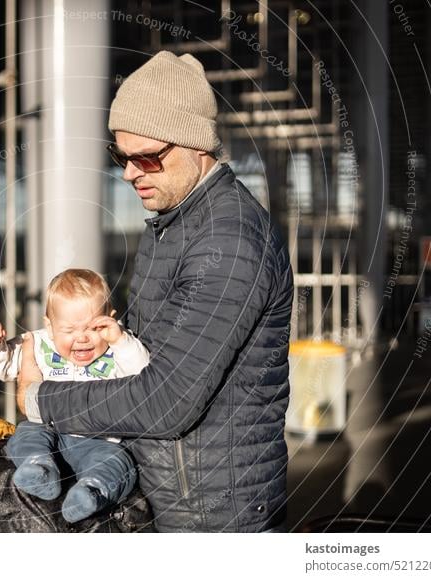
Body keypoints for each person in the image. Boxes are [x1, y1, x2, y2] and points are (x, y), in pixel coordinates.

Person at [17, 51, 294, 532]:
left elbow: (166, 400)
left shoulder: (226, 244)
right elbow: (148, 355)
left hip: (213, 518)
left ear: (196, 145)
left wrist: (39, 398)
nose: (129, 172)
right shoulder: (175, 223)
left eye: (145, 156)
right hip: (177, 496)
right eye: (120, 156)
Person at [0, 269, 149, 523]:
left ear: (110, 319)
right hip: (49, 432)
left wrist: (121, 340)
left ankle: (91, 492)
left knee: (119, 463)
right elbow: (5, 364)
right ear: (50, 325)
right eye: (68, 330)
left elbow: (143, 372)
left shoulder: (118, 346)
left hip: (100, 441)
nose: (81, 338)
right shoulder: (39, 343)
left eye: (93, 327)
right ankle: (38, 467)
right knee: (26, 433)